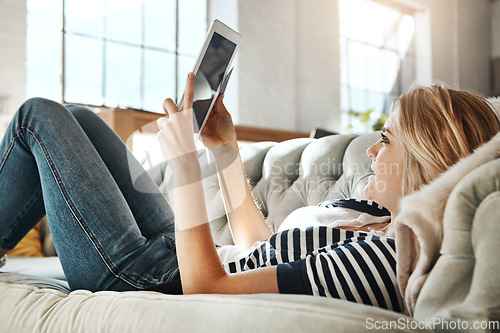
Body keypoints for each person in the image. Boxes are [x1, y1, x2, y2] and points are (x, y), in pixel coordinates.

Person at [0, 74, 498, 313]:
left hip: (154, 278)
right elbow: (262, 244)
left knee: (38, 115)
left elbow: (206, 289)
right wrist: (224, 151)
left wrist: (185, 170)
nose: (371, 154)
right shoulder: (367, 212)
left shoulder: (389, 257)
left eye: (385, 141)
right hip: (184, 254)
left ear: (426, 159)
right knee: (83, 117)